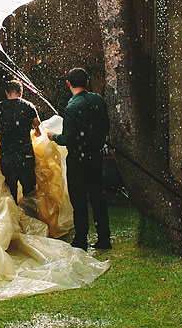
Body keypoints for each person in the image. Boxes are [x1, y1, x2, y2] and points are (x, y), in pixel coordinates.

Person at [45, 67, 111, 251]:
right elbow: (105, 126)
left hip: (78, 159)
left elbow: (67, 139)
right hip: (94, 157)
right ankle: (104, 237)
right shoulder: (98, 100)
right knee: (98, 197)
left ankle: (81, 238)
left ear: (68, 84)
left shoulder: (72, 107)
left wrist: (53, 136)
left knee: (79, 199)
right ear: (87, 82)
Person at [0, 79, 41, 202]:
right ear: (21, 92)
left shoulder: (0, 107)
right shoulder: (28, 106)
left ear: (6, 92)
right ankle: (30, 218)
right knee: (29, 193)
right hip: (25, 155)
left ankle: (12, 218)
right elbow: (38, 126)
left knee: (10, 194)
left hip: (7, 155)